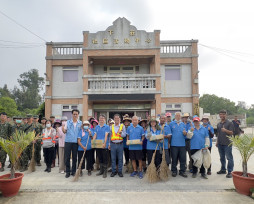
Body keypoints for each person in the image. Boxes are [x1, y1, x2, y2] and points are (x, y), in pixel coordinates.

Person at [62, 109, 82, 178]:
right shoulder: (68, 122)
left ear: (78, 115)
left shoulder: (80, 123)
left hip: (75, 143)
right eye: (74, 114)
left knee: (74, 157)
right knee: (67, 157)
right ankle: (67, 171)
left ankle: (73, 171)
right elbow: (64, 131)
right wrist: (63, 129)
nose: (75, 115)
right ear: (72, 114)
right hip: (68, 141)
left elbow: (82, 133)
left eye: (76, 114)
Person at [216, 110, 234, 178]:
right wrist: (217, 142)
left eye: (223, 114)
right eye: (220, 114)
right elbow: (218, 133)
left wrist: (225, 130)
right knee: (222, 158)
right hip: (220, 144)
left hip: (227, 144)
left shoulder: (229, 123)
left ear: (226, 115)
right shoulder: (219, 124)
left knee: (229, 158)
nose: (222, 116)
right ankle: (223, 170)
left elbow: (231, 132)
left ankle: (230, 172)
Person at [170, 112, 188, 178]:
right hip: (174, 144)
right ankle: (174, 171)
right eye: (177, 115)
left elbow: (186, 134)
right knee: (174, 159)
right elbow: (170, 134)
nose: (178, 117)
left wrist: (185, 133)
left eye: (179, 116)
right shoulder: (171, 124)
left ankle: (182, 171)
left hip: (182, 144)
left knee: (182, 159)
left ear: (180, 117)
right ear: (174, 116)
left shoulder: (183, 124)